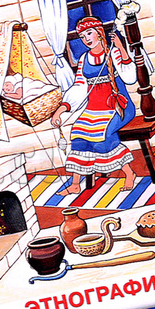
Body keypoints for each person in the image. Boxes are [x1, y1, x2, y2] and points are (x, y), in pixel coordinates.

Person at [51, 16, 137, 193]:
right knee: (78, 132)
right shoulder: (84, 58)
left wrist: (121, 49)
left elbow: (130, 78)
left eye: (89, 33)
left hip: (118, 107)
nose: (86, 39)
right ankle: (75, 183)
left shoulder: (113, 52)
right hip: (94, 109)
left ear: (99, 32)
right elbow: (79, 87)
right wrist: (61, 109)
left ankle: (129, 173)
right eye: (82, 36)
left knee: (101, 133)